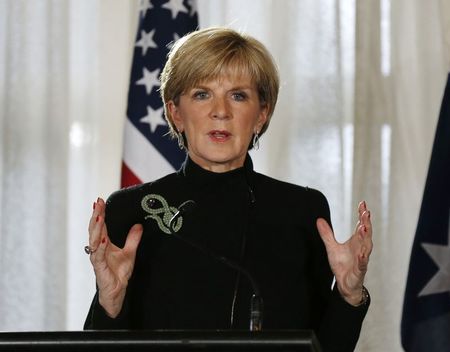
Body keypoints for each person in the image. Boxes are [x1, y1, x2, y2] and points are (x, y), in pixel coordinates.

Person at [84, 27, 372, 351]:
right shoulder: (133, 211)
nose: (220, 111)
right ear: (175, 113)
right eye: (202, 94)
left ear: (261, 114)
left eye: (238, 95)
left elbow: (323, 347)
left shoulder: (302, 211)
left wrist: (348, 296)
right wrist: (110, 303)